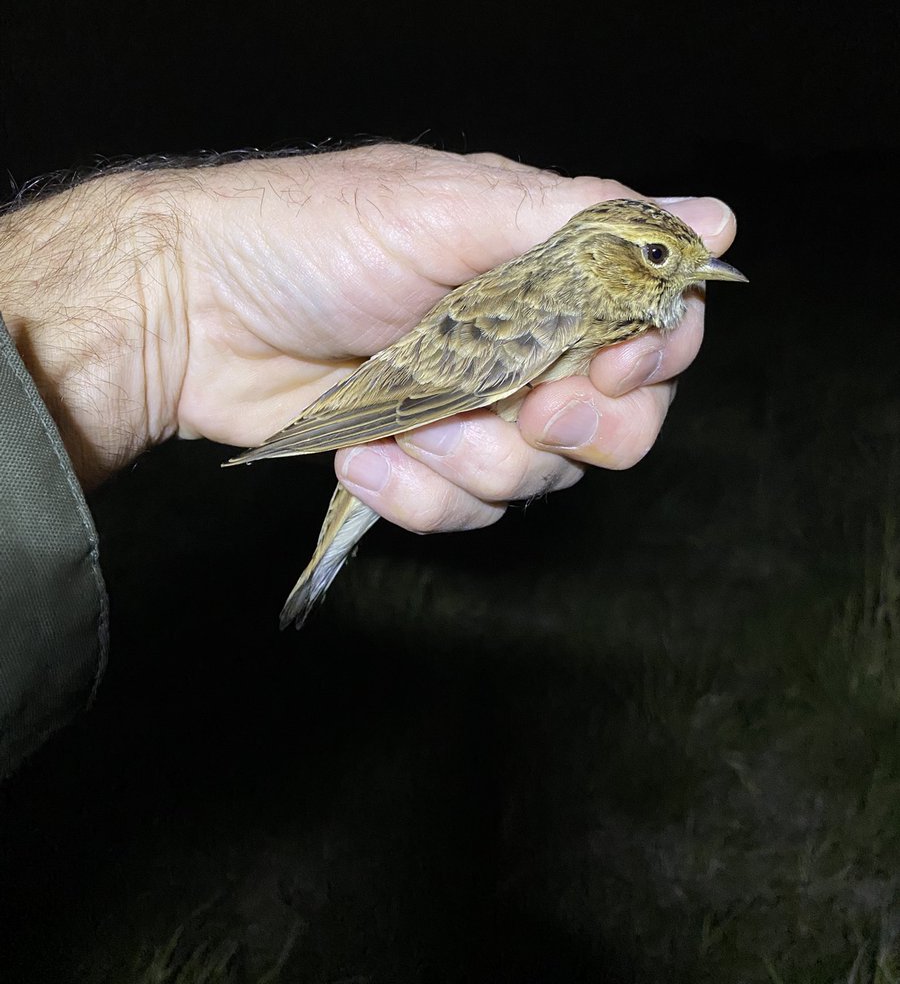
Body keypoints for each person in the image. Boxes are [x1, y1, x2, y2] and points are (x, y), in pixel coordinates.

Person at [0, 143, 737, 776]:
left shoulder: (583, 307)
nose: (691, 274)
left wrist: (176, 299)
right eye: (657, 258)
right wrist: (172, 298)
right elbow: (417, 390)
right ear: (604, 255)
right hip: (390, 403)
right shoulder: (553, 306)